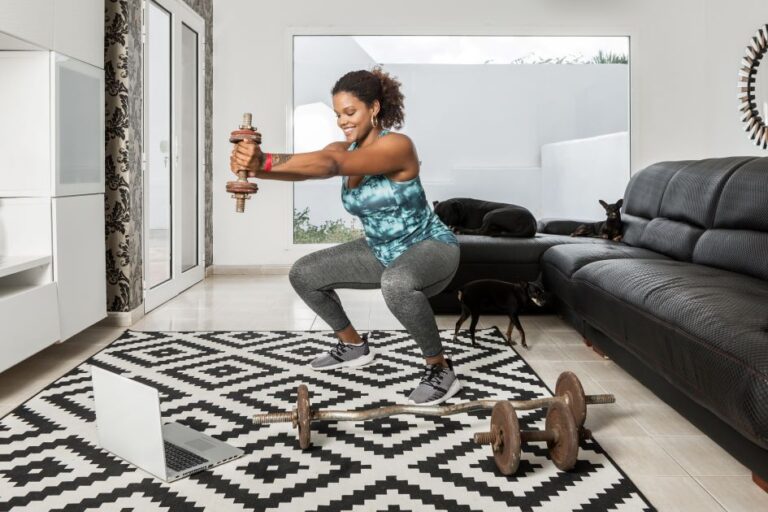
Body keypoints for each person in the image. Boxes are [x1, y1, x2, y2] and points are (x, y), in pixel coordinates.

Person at [230, 68, 461, 405]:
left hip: (429, 247)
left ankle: (440, 369)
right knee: (304, 273)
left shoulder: (397, 146)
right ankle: (353, 346)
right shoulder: (343, 147)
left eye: (350, 112)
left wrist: (263, 160)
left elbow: (331, 164)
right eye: (338, 114)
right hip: (381, 250)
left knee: (395, 283)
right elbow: (308, 170)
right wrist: (254, 170)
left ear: (374, 108)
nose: (342, 121)